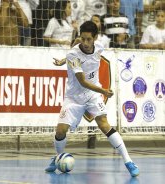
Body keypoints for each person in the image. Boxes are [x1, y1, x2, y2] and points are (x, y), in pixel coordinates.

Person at [45, 21, 139, 177]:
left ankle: (129, 161)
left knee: (104, 124)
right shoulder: (73, 55)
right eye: (83, 39)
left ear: (95, 38)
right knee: (60, 131)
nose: (85, 43)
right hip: (74, 97)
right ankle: (57, 158)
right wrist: (103, 90)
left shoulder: (100, 46)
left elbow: (77, 42)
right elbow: (82, 81)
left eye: (89, 39)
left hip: (92, 95)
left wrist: (63, 60)